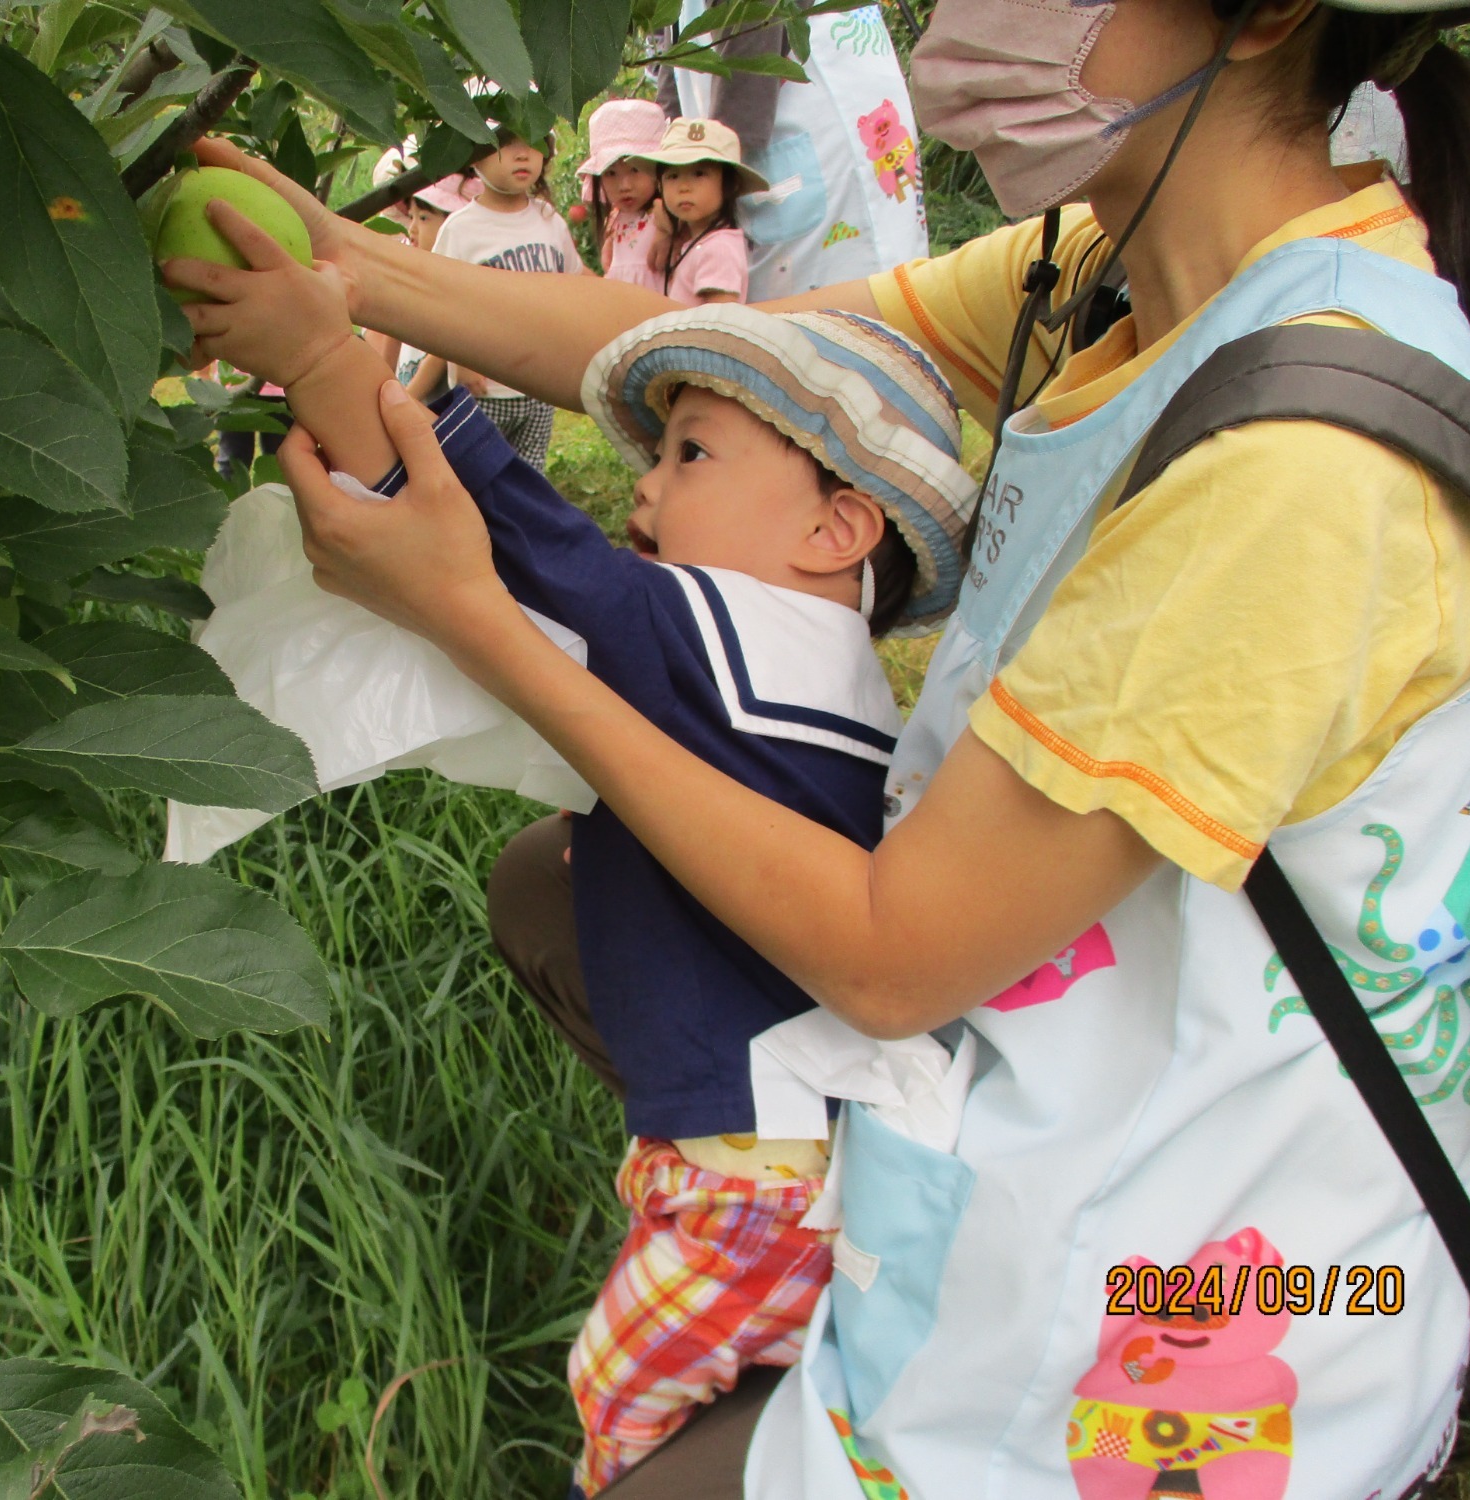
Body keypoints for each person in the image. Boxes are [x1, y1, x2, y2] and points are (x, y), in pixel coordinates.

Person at [167, 0, 1470, 1489]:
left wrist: (473, 618)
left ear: (1269, 16)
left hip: (1183, 1312)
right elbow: (733, 357)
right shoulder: (1098, 272)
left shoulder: (1298, 470)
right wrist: (349, 267)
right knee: (554, 886)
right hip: (1046, 1097)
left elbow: (892, 961)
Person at [184, 207, 976, 1490]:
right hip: (797, 1153)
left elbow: (519, 540)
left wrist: (330, 363)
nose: (649, 490)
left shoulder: (723, 633)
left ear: (833, 534)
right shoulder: (824, 685)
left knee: (619, 1404)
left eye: (691, 453)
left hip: (749, 1173)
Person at [658, 0, 930, 299]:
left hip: (821, 127)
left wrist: (698, 174)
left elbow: (753, 23)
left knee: (845, 315)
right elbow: (674, 56)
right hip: (776, 131)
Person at [431, 129, 585, 468]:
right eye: (506, 143)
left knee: (531, 476)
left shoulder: (549, 220)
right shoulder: (461, 229)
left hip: (541, 384)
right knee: (478, 475)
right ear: (474, 156)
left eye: (533, 142)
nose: (523, 154)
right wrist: (461, 360)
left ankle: (524, 522)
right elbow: (440, 302)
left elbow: (577, 281)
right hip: (486, 387)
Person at [639, 119, 763, 306]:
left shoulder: (718, 249)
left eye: (699, 174)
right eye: (672, 176)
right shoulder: (700, 243)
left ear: (730, 184)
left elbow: (719, 322)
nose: (684, 187)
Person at [393, 173, 473, 401]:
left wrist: (408, 399)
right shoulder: (418, 274)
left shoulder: (452, 279)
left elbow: (440, 352)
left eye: (424, 218)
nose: (412, 229)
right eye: (411, 217)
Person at [578, 98, 668, 289]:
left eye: (635, 170)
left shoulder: (664, 214)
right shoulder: (615, 219)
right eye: (611, 173)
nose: (624, 185)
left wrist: (666, 227)